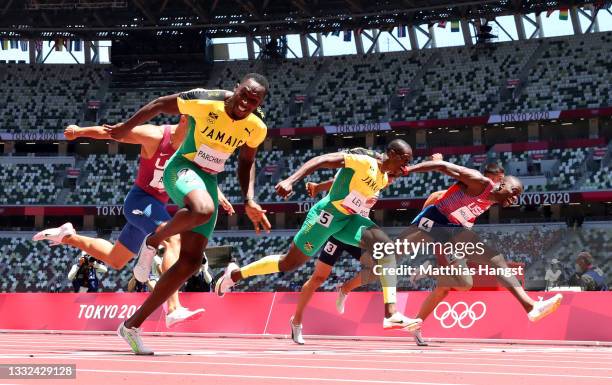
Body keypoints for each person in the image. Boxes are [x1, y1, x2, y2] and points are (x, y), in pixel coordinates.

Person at [106, 74, 271, 355]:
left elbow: (247, 162)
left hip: (208, 180)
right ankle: (153, 241)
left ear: (259, 104)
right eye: (243, 94)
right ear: (236, 88)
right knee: (204, 209)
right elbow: (159, 104)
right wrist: (126, 127)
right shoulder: (204, 100)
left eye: (252, 100)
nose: (245, 102)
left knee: (191, 262)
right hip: (182, 168)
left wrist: (249, 199)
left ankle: (131, 326)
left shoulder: (256, 128)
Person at [337, 159, 562, 345]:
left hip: (454, 231)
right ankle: (346, 287)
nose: (514, 199)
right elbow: (442, 169)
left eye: (517, 196)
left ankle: (416, 321)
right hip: (434, 221)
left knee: (461, 283)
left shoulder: (493, 199)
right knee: (388, 262)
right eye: (513, 192)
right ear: (500, 183)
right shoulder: (478, 182)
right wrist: (409, 170)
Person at [215, 139, 422, 337]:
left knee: (385, 248)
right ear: (392, 154)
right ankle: (234, 275)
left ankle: (391, 314)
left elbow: (341, 184)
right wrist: (291, 180)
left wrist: (322, 187)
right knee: (288, 263)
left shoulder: (383, 179)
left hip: (348, 221)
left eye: (409, 163)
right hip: (325, 217)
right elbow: (322, 160)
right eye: (404, 160)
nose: (406, 168)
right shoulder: (364, 162)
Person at [33, 116, 220, 328]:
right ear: (184, 119)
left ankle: (67, 236)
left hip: (153, 208)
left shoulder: (190, 147)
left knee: (115, 259)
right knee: (173, 239)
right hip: (139, 202)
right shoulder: (155, 136)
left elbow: (200, 175)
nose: (201, 133)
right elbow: (113, 132)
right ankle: (174, 308)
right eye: (198, 126)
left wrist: (217, 194)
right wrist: (78, 131)